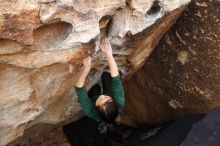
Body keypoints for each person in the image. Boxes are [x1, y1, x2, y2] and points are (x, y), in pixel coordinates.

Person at [75, 37, 125, 145]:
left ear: (96, 106)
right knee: (106, 76)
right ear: (114, 102)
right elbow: (115, 78)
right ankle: (108, 89)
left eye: (101, 100)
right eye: (107, 98)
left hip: (93, 98)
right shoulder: (120, 102)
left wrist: (85, 70)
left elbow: (79, 88)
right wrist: (109, 54)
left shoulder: (90, 112)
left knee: (96, 89)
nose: (102, 96)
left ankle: (93, 95)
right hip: (109, 93)